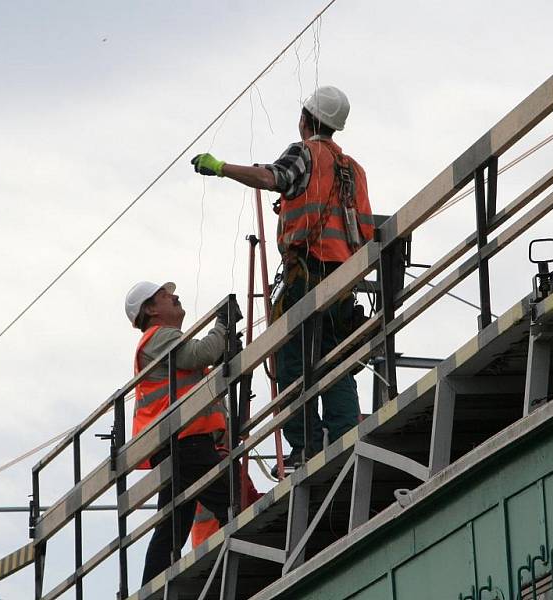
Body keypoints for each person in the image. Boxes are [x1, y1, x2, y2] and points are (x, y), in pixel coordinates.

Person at [190, 85, 374, 473]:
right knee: (334, 359)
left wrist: (222, 168)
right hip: (344, 279)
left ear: (306, 118)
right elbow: (368, 230)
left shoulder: (305, 153)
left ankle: (304, 448)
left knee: (292, 364)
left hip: (305, 274)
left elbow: (270, 177)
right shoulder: (354, 170)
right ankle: (343, 436)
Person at [125, 280, 241, 585]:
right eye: (166, 296)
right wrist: (223, 324)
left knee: (173, 523)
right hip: (185, 440)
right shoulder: (159, 337)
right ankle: (259, 546)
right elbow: (201, 353)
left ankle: (150, 586)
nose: (175, 297)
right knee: (231, 498)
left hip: (181, 440)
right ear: (150, 309)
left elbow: (199, 361)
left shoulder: (164, 341)